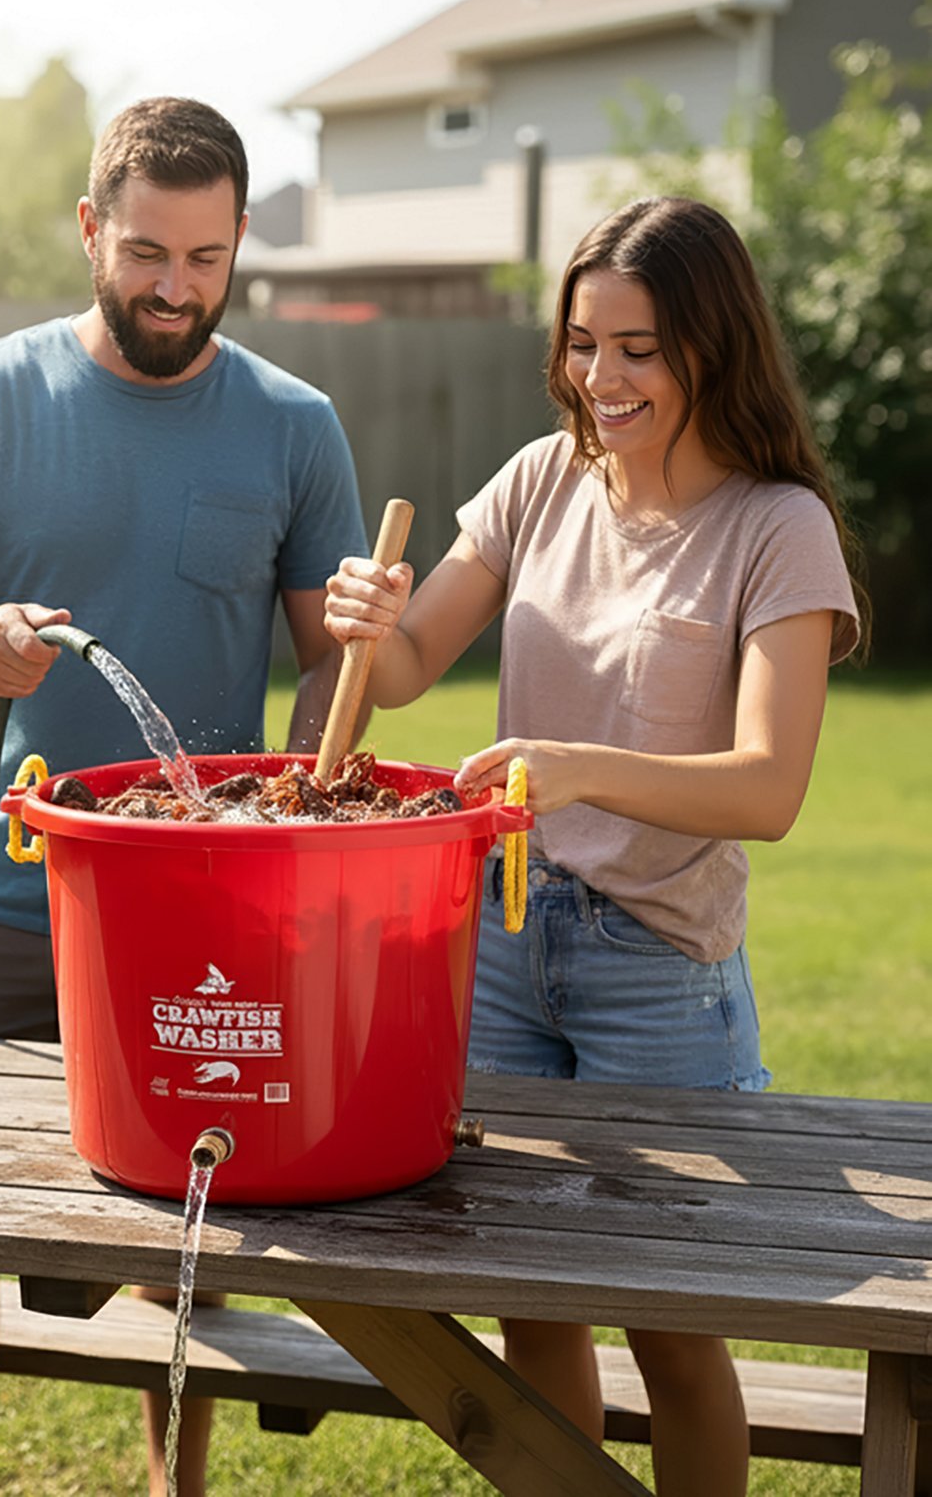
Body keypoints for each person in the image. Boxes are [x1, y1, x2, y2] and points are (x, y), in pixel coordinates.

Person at [0, 97, 367, 1497]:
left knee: (186, 1224)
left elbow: (335, 672)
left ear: (243, 240)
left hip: (201, 906)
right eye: (146, 252)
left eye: (204, 257)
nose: (174, 288)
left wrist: (363, 667)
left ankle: (172, 1486)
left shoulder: (296, 427)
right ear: (90, 231)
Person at [323, 195, 864, 1497]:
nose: (601, 378)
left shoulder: (777, 527)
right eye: (582, 343)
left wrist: (576, 772)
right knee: (533, 1310)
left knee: (674, 1329)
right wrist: (367, 617)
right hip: (502, 940)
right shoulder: (539, 480)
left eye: (639, 349)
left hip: (658, 969)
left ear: (710, 348)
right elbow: (401, 671)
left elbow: (768, 789)